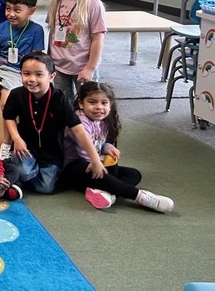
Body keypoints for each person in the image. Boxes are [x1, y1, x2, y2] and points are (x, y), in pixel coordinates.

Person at [63, 82, 174, 213]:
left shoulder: (102, 120)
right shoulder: (79, 120)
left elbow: (98, 142)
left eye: (104, 103)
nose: (99, 107)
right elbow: (84, 149)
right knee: (106, 175)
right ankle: (139, 196)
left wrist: (107, 147)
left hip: (94, 163)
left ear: (110, 105)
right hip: (75, 167)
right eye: (92, 102)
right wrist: (99, 162)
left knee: (134, 174)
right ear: (81, 104)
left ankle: (108, 194)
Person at [3, 51, 102, 195]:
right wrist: (16, 138)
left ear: (51, 76)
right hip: (25, 148)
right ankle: (18, 175)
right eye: (26, 74)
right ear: (21, 74)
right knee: (24, 172)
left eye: (39, 74)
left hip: (52, 153)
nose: (31, 79)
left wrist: (95, 159)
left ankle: (16, 180)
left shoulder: (60, 99)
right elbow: (9, 117)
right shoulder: (16, 94)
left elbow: (79, 130)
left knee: (47, 187)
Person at [47, 0, 107, 99]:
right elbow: (52, 31)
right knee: (62, 103)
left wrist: (90, 68)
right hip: (58, 66)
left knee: (88, 101)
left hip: (82, 66)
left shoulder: (93, 4)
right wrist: (49, 61)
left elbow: (97, 39)